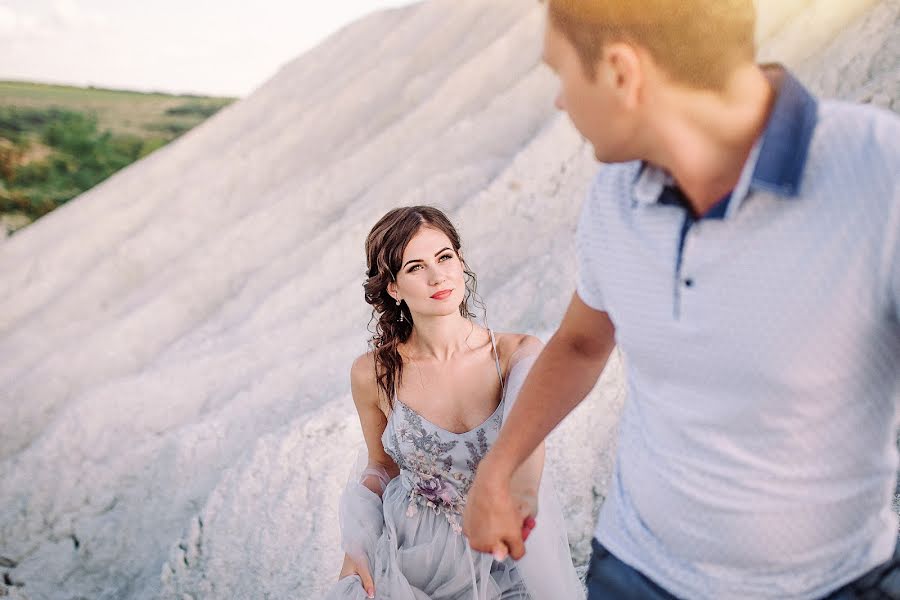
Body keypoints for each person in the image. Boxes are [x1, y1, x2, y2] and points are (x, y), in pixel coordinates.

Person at [463, 1, 900, 598]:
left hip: (833, 585)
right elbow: (582, 344)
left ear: (621, 71)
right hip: (634, 574)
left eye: (561, 74)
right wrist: (499, 466)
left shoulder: (879, 174)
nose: (561, 101)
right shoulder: (614, 198)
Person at [326, 205, 582, 600]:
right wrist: (356, 543)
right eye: (415, 267)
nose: (437, 275)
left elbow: (529, 446)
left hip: (507, 545)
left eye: (444, 257)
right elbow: (382, 464)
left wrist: (518, 503)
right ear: (393, 287)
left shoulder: (517, 354)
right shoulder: (373, 373)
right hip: (415, 558)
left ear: (460, 262)